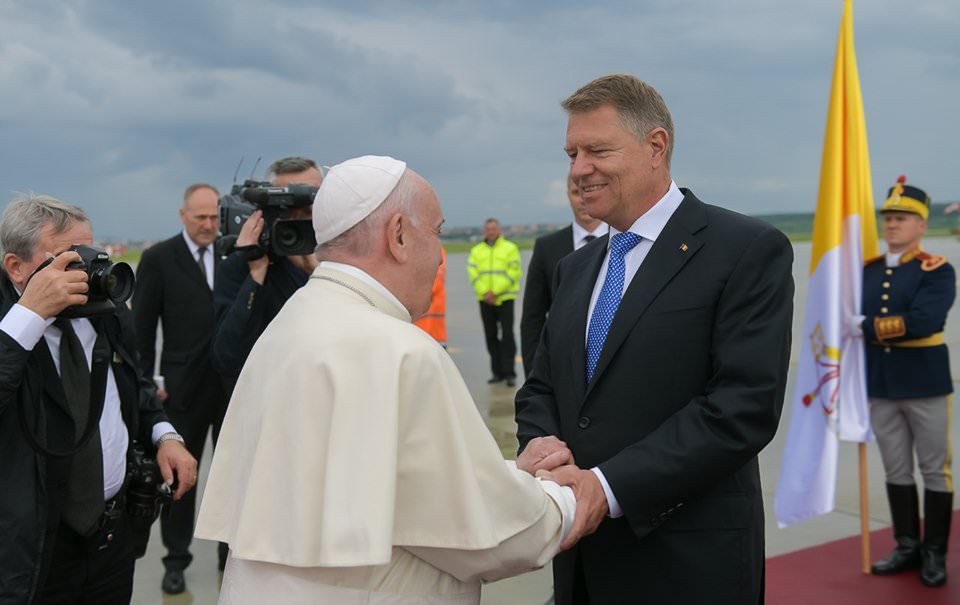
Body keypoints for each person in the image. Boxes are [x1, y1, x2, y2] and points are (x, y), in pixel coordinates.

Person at [195, 156, 577, 604]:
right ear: (397, 235)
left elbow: (382, 484)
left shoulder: (287, 324)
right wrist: (565, 500)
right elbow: (485, 538)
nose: (439, 257)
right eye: (436, 232)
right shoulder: (403, 352)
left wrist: (510, 475)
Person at [514, 74, 794, 604]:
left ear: (656, 146)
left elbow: (743, 406)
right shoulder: (576, 268)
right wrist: (541, 443)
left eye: (597, 150)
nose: (578, 170)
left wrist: (609, 487)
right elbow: (541, 387)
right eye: (572, 153)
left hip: (687, 563)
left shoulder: (745, 249)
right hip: (583, 562)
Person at [0, 194, 197, 604]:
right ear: (16, 267)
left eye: (90, 254)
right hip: (34, 547)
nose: (84, 272)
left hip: (113, 534)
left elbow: (136, 384)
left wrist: (165, 435)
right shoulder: (10, 326)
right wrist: (30, 315)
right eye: (65, 260)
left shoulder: (104, 311)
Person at [132, 183, 231, 593]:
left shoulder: (235, 253)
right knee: (179, 480)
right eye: (200, 218)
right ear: (183, 215)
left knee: (231, 477)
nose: (209, 225)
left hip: (230, 389)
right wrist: (150, 384)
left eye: (214, 218)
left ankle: (231, 556)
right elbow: (140, 329)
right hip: (181, 390)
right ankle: (175, 560)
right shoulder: (158, 258)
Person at [860, 176, 955, 587]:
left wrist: (864, 326)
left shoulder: (937, 269)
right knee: (896, 467)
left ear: (921, 225)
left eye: (902, 218)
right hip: (882, 383)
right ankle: (906, 544)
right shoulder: (869, 269)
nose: (893, 225)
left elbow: (924, 321)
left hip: (925, 383)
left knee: (935, 469)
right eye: (889, 218)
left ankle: (935, 551)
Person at [211, 156, 322, 384]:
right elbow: (227, 358)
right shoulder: (240, 267)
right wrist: (256, 273)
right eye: (292, 207)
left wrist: (319, 275)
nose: (305, 215)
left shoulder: (339, 260)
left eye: (314, 202)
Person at [521, 176, 607, 377]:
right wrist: (534, 378)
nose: (583, 198)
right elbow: (532, 319)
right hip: (562, 368)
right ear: (568, 195)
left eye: (590, 189)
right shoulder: (546, 247)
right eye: (577, 192)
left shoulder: (623, 241)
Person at [467, 219, 521, 386]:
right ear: (484, 231)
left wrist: (495, 291)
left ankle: (509, 373)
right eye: (488, 229)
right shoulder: (476, 251)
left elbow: (514, 272)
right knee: (490, 335)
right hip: (485, 299)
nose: (490, 231)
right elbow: (473, 273)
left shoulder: (510, 248)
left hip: (505, 298)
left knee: (507, 335)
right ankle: (496, 372)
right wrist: (486, 292)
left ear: (499, 230)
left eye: (493, 228)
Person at [414, 247, 448, 347]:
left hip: (434, 331)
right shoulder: (409, 248)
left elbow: (437, 278)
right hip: (416, 329)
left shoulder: (437, 250)